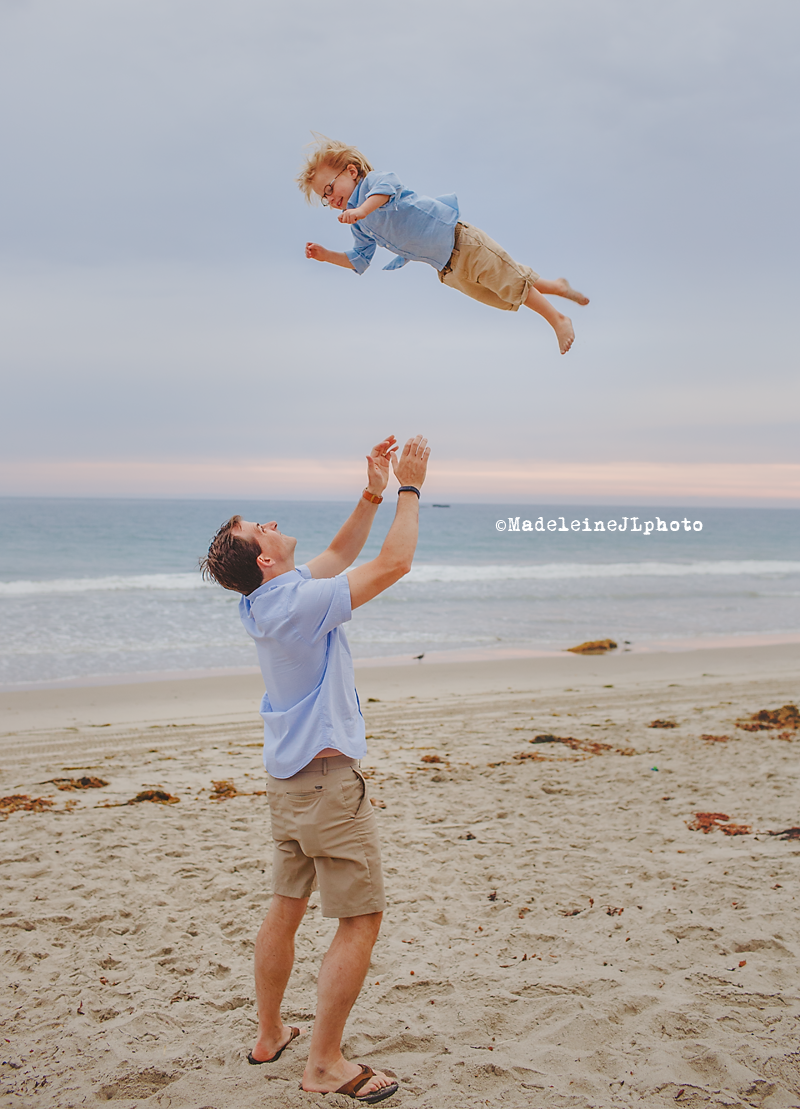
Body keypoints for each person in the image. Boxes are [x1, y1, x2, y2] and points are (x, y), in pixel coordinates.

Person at [199, 434, 431, 1104]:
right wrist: (411, 488)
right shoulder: (298, 604)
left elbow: (340, 556)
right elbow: (394, 563)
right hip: (327, 786)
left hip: (287, 786)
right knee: (360, 918)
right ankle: (324, 1063)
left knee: (286, 906)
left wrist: (371, 493)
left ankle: (270, 1034)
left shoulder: (265, 600)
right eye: (259, 527)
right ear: (265, 557)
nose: (270, 522)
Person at [298, 134, 589, 355]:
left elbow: (388, 189)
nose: (330, 199)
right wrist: (327, 256)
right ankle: (556, 286)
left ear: (351, 172)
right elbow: (359, 259)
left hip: (462, 242)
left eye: (330, 188)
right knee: (502, 288)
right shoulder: (359, 225)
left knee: (509, 282)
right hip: (447, 269)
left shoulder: (374, 183)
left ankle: (558, 319)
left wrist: (361, 210)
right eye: (325, 198)